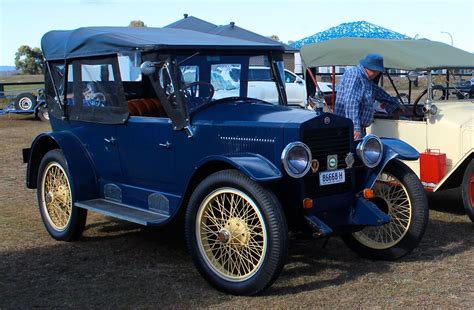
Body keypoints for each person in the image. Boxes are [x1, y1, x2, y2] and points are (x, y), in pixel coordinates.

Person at [335, 53, 404, 140]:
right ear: (374, 70)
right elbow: (351, 101)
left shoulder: (367, 80)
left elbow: (380, 94)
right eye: (378, 72)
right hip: (348, 128)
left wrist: (396, 104)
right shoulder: (355, 75)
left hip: (358, 128)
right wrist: (354, 127)